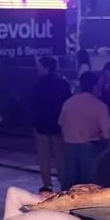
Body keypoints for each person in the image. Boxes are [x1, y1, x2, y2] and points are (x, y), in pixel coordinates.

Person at [58, 71, 110, 189]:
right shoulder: (100, 106)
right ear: (95, 86)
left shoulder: (68, 103)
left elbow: (61, 124)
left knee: (69, 187)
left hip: (69, 148)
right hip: (90, 151)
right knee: (88, 188)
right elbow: (107, 134)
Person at [31, 55, 71, 193]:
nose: (38, 69)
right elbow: (67, 103)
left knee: (44, 156)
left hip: (41, 125)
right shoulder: (63, 84)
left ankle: (47, 184)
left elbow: (33, 104)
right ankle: (64, 182)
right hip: (58, 125)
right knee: (60, 156)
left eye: (40, 66)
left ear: (46, 67)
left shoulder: (37, 84)